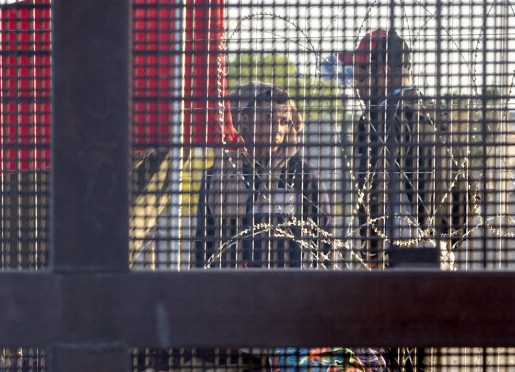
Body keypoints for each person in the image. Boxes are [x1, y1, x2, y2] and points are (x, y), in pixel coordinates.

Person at [338, 28, 475, 268]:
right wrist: (451, 239)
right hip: (440, 252)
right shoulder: (439, 115)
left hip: (397, 252)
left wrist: (371, 251)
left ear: (384, 73)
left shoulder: (377, 118)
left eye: (360, 78)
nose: (356, 87)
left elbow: (372, 186)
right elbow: (466, 189)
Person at [192, 82, 334, 269]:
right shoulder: (217, 177)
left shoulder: (302, 175)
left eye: (284, 122)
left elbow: (325, 237)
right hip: (231, 289)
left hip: (286, 289)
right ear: (245, 119)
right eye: (268, 118)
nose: (278, 128)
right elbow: (204, 245)